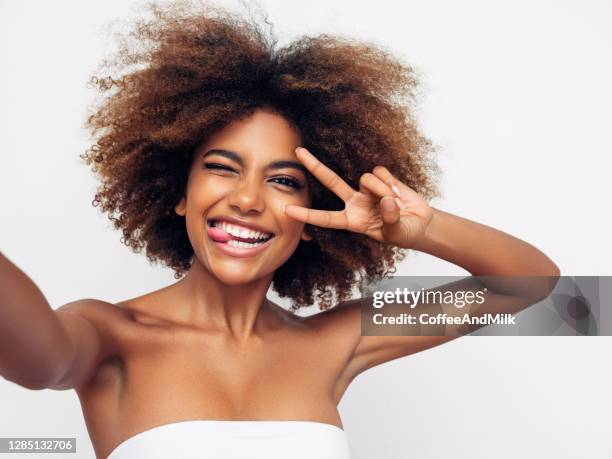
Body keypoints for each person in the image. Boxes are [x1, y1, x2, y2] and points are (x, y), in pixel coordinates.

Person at [0, 1, 559, 458]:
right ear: (178, 193)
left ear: (316, 222)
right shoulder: (111, 334)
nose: (246, 200)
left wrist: (424, 228)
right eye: (221, 167)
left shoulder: (334, 340)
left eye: (284, 181)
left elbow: (531, 285)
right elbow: (37, 361)